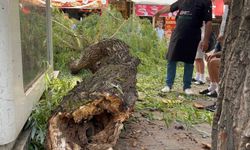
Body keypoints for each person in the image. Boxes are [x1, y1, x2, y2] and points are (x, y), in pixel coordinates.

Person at [154, 0, 212, 95]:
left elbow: (208, 22)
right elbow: (170, 7)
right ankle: (168, 84)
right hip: (177, 34)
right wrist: (159, 12)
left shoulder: (205, 2)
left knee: (189, 61)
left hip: (193, 35)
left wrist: (206, 40)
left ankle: (187, 87)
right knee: (171, 59)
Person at [199, 3, 230, 98]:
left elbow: (227, 52)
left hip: (227, 50)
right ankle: (213, 85)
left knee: (213, 62)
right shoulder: (227, 9)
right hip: (222, 45)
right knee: (210, 60)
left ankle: (218, 88)